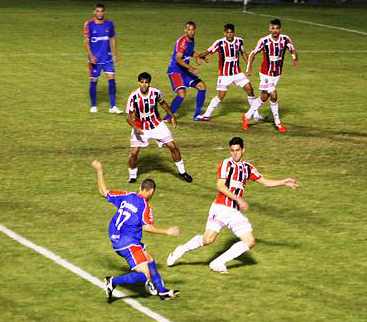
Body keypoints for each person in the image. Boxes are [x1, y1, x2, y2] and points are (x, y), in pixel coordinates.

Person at [167, 137, 298, 273]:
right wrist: (239, 199)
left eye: (237, 150)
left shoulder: (248, 168)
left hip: (233, 212)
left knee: (250, 241)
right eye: (232, 150)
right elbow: (220, 186)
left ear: (243, 150)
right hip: (220, 207)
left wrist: (283, 182)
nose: (235, 153)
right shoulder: (226, 164)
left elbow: (265, 182)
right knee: (208, 240)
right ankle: (180, 251)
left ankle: (218, 263)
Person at [92, 160, 180, 301]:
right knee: (144, 275)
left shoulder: (126, 195)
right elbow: (147, 227)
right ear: (151, 191)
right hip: (128, 243)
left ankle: (162, 291)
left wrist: (99, 170)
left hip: (116, 236)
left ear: (140, 187)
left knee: (149, 258)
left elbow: (103, 192)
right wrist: (167, 231)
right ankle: (112, 282)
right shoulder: (144, 206)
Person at [126, 72, 193, 183]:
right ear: (138, 83)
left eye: (146, 82)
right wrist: (134, 127)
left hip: (156, 124)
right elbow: (128, 116)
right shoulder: (133, 96)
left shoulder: (155, 92)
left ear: (149, 83)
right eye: (142, 82)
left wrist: (172, 116)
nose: (144, 85)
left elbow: (163, 103)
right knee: (134, 153)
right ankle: (132, 176)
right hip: (140, 127)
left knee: (173, 146)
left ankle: (183, 172)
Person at [243, 18, 299, 132]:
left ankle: (247, 116)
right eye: (272, 28)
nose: (275, 30)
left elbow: (292, 49)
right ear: (269, 29)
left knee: (264, 97)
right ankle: (278, 123)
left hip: (277, 74)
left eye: (277, 28)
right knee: (273, 95)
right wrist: (248, 67)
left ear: (280, 29)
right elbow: (253, 53)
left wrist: (294, 58)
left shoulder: (285, 39)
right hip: (265, 73)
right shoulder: (264, 41)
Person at [196, 23, 259, 121]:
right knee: (221, 95)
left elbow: (243, 53)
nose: (229, 34)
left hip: (237, 72)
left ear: (234, 33)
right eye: (227, 32)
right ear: (224, 33)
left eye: (231, 32)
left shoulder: (239, 41)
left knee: (249, 89)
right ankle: (206, 115)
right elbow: (208, 51)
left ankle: (256, 114)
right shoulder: (219, 43)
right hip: (224, 74)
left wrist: (249, 65)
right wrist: (199, 56)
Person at [84, 3, 122, 114]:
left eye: (101, 11)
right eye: (97, 11)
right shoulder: (89, 25)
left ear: (104, 12)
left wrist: (115, 54)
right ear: (94, 12)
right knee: (94, 80)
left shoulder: (109, 24)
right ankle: (93, 105)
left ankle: (113, 106)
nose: (99, 13)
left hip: (107, 58)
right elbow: (86, 43)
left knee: (112, 80)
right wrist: (91, 56)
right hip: (95, 59)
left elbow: (113, 38)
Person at [166, 21, 207, 121]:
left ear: (195, 30)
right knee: (182, 94)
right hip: (175, 70)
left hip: (184, 71)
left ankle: (197, 115)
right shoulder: (182, 42)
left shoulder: (192, 40)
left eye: (193, 30)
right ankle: (167, 118)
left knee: (202, 87)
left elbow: (190, 52)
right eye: (188, 30)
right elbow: (178, 58)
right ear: (185, 30)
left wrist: (200, 57)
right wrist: (191, 68)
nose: (191, 32)